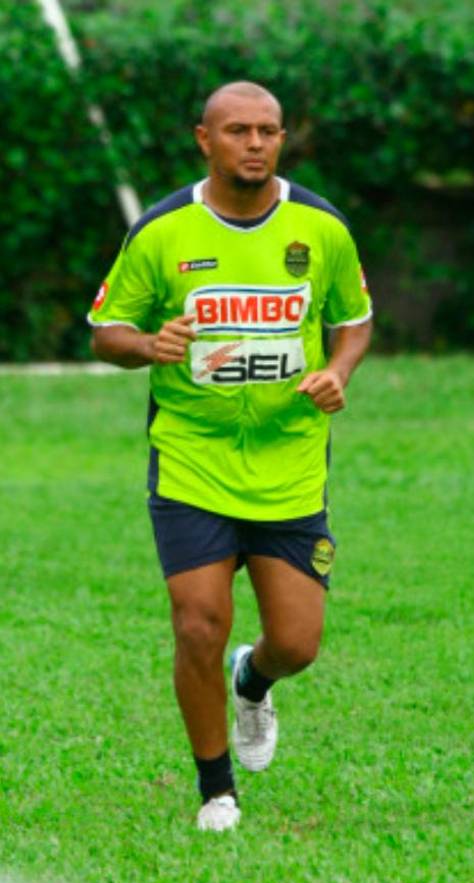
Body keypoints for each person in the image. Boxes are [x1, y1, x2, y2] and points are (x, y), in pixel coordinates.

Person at [87, 81, 373, 832]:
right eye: (239, 130)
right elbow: (106, 330)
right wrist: (150, 344)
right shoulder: (162, 232)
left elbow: (355, 321)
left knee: (297, 642)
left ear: (282, 139)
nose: (255, 143)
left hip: (290, 463)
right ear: (203, 140)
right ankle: (217, 791)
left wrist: (337, 373)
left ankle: (254, 679)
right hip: (192, 459)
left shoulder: (322, 229)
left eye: (269, 131)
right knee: (197, 624)